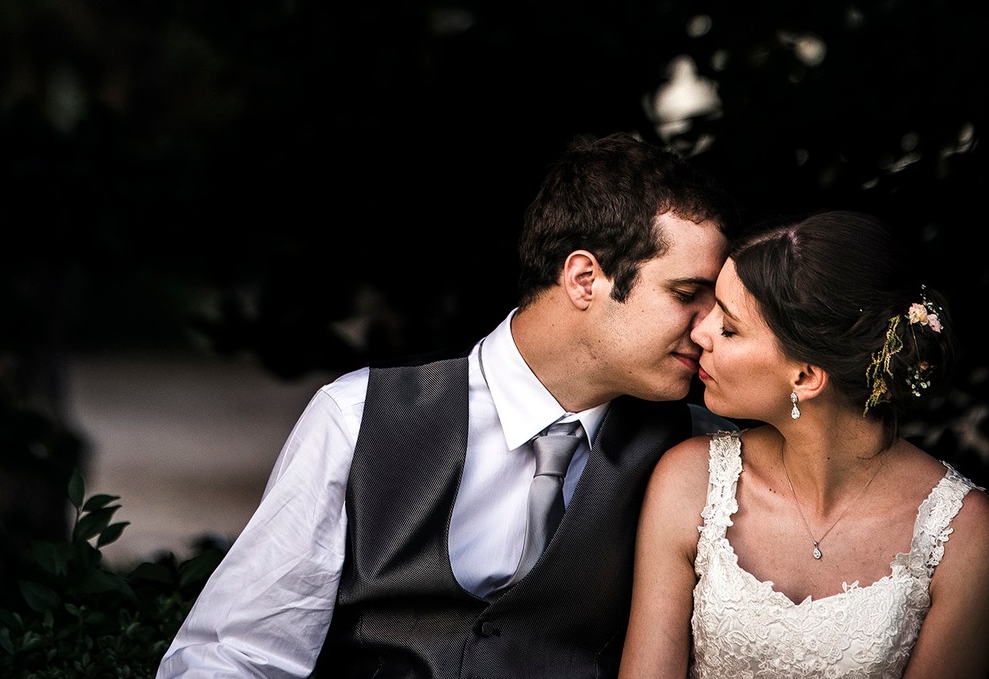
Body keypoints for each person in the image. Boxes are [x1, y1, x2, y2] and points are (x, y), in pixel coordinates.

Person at [157, 132, 729, 679]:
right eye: (686, 295)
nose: (708, 329)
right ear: (584, 279)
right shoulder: (357, 417)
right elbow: (240, 652)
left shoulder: (697, 455)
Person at [618, 212, 989, 679]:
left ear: (806, 376)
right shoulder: (690, 480)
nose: (699, 333)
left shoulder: (965, 535)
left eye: (728, 328)